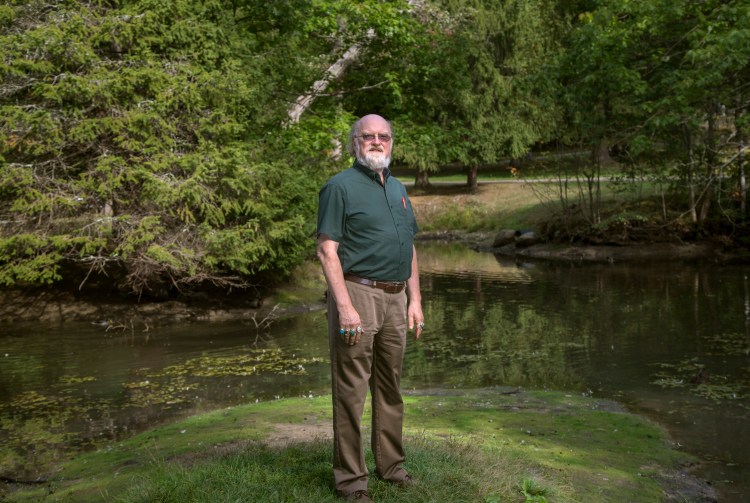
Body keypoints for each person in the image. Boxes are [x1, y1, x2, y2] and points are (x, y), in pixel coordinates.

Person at [316, 114, 424, 502]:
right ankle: (351, 482)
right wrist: (344, 307)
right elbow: (327, 251)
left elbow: (408, 246)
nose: (376, 142)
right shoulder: (339, 187)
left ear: (392, 143)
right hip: (357, 294)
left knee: (390, 387)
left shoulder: (397, 188)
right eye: (368, 136)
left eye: (384, 136)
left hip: (397, 299)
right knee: (351, 392)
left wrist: (416, 300)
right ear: (354, 143)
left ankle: (391, 467)